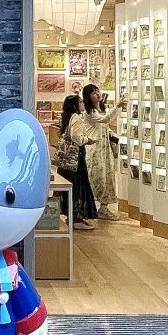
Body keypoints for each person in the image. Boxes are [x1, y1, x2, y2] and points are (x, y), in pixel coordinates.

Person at [75, 83, 121, 221]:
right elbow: (104, 119)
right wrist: (117, 106)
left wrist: (111, 133)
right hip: (94, 148)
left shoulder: (100, 109)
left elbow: (104, 124)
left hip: (104, 148)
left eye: (98, 91)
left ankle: (103, 208)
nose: (98, 94)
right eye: (94, 93)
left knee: (107, 176)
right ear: (88, 97)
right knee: (96, 177)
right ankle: (88, 207)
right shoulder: (90, 112)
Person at [57, 95, 98, 230]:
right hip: (75, 160)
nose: (82, 104)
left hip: (66, 161)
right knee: (77, 187)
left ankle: (71, 216)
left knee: (69, 188)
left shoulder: (67, 118)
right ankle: (76, 218)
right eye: (80, 102)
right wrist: (87, 140)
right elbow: (77, 138)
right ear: (75, 105)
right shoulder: (77, 118)